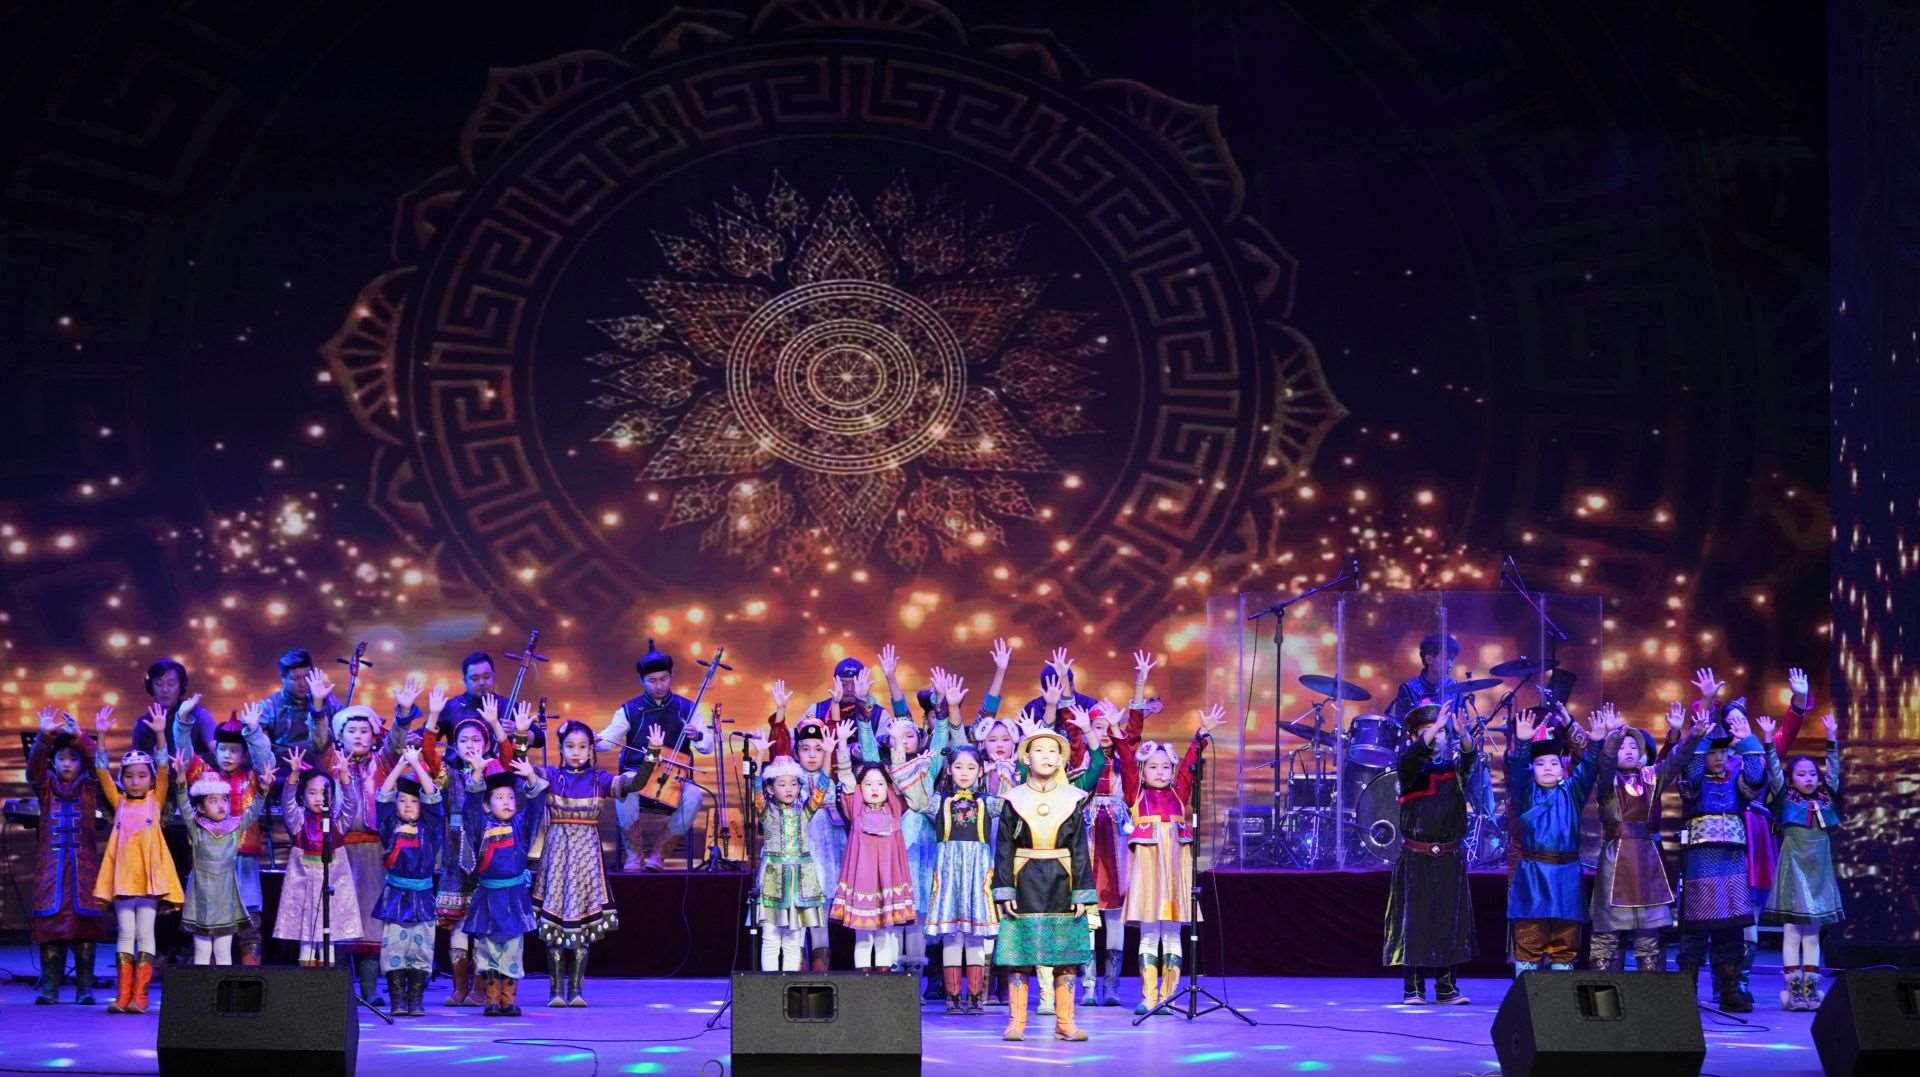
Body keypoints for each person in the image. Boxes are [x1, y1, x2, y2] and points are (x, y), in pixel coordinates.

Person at [1115, 698, 1225, 1017]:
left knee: (1173, 933)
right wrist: (1115, 732)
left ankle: (1170, 995)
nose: (1161, 772)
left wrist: (1201, 734)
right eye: (1153, 766)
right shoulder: (1136, 793)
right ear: (1142, 770)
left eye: (1166, 767)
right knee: (1150, 932)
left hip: (1175, 870)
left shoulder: (1179, 793)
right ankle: (1149, 997)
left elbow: (1191, 762)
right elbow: (1125, 759)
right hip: (1149, 869)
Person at [528, 719, 650, 1006]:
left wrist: (652, 756)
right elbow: (520, 767)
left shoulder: (599, 779)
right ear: (561, 748)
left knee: (581, 921)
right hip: (557, 855)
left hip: (586, 857)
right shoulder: (551, 776)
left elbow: (636, 783)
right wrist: (521, 735)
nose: (576, 752)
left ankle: (576, 991)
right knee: (554, 922)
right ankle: (555, 992)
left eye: (583, 746)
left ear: (591, 749)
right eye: (570, 746)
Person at [993, 726, 1097, 1043]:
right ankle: (1016, 1022)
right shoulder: (1014, 800)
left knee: (1065, 955)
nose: (1047, 756)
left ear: (1061, 760)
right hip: (1024, 877)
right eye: (1039, 750)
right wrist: (1004, 889)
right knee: (1020, 954)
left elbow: (1080, 849)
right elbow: (1004, 848)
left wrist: (1082, 892)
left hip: (1062, 879)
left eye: (1053, 751)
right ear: (1026, 758)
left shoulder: (1071, 799)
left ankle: (1065, 1023)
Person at [1674, 696, 1769, 1012]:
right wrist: (1702, 735)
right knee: (1696, 928)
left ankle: (1729, 990)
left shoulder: (1736, 780)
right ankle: (1685, 991)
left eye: (1722, 752)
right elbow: (1692, 764)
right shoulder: (1694, 781)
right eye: (1712, 752)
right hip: (1700, 863)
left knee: (1731, 928)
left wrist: (1748, 740)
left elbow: (1756, 777)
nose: (1718, 758)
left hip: (1732, 862)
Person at [91, 705, 183, 1015]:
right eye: (129, 776)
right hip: (122, 879)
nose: (135, 781)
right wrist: (101, 735)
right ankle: (123, 994)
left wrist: (160, 734)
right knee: (124, 934)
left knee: (145, 933)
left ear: (150, 780)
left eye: (142, 776)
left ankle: (140, 996)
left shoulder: (155, 801)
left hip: (149, 880)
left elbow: (164, 767)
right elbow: (101, 771)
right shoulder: (118, 803)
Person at [1383, 703, 1476, 1004]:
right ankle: (1413, 987)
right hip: (1417, 860)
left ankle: (1447, 988)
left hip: (1449, 858)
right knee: (1415, 922)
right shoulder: (1410, 770)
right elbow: (1412, 758)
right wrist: (1435, 727)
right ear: (1414, 737)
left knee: (1449, 922)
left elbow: (1469, 759)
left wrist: (1464, 735)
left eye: (1441, 732)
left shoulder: (1453, 772)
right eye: (1428, 732)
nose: (1437, 737)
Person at [1590, 704, 1693, 973]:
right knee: (1608, 930)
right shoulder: (1607, 782)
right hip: (1615, 860)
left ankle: (1648, 988)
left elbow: (1676, 760)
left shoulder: (1651, 778)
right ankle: (1602, 986)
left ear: (1642, 753)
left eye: (1633, 746)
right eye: (1622, 746)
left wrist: (1690, 734)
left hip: (1647, 860)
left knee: (1648, 932)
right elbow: (1605, 763)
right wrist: (1612, 736)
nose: (1628, 750)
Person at [172, 702, 275, 964]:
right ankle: (207, 973)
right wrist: (182, 720)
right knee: (208, 918)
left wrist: (254, 731)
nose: (227, 755)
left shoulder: (251, 779)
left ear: (243, 754)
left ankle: (250, 970)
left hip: (243, 858)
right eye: (222, 749)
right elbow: (184, 755)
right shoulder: (205, 777)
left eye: (234, 750)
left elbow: (267, 764)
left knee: (249, 917)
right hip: (211, 860)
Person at [596, 640, 712, 871]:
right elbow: (607, 742)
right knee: (624, 786)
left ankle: (659, 854)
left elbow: (707, 746)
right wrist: (594, 740)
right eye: (652, 681)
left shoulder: (687, 708)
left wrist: (698, 735)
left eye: (664, 679)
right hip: (639, 775)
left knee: (695, 797)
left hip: (674, 779)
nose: (659, 685)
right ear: (641, 681)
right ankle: (634, 855)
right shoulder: (629, 710)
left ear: (671, 677)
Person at [430, 688, 514, 1005]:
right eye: (463, 740)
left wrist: (495, 724)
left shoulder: (493, 771)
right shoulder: (448, 772)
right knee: (458, 920)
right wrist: (433, 716)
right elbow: (427, 755)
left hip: (485, 849)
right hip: (455, 851)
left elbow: (509, 757)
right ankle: (458, 986)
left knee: (481, 920)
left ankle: (480, 987)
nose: (470, 745)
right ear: (454, 744)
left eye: (476, 740)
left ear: (486, 744)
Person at [1503, 707, 1600, 974]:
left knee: (1565, 940)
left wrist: (1595, 743)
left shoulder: (1573, 792)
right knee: (1529, 937)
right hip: (1534, 874)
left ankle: (1560, 995)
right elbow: (1517, 772)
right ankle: (1526, 992)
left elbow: (1589, 768)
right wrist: (1523, 743)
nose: (1547, 767)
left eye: (1554, 763)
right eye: (1540, 763)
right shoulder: (1526, 795)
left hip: (1567, 875)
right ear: (1532, 769)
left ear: (1562, 769)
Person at [1760, 711, 1844, 1010]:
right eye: (1802, 774)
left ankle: (1810, 990)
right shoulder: (1786, 799)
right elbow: (1773, 771)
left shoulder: (1825, 798)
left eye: (1812, 774)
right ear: (1792, 778)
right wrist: (1768, 741)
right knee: (1793, 931)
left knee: (1813, 933)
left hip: (1819, 871)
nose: (1808, 778)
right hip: (1794, 868)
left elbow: (1833, 772)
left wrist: (1831, 739)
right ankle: (1793, 990)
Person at [27, 708, 110, 1004]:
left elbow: (100, 766)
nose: (66, 763)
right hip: (52, 872)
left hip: (82, 872)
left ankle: (84, 989)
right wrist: (43, 737)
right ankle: (50, 989)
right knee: (51, 928)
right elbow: (33, 770)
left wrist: (81, 737)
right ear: (54, 761)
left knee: (84, 928)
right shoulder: (46, 788)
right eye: (61, 758)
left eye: (72, 758)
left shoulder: (89, 788)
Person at [828, 719, 918, 971]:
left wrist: (898, 742)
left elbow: (901, 778)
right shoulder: (856, 807)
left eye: (880, 783)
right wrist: (842, 744)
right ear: (861, 788)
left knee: (885, 933)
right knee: (863, 934)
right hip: (862, 881)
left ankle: (884, 978)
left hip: (888, 879)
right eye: (868, 784)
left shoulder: (894, 808)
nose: (874, 788)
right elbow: (846, 778)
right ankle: (863, 980)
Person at [463, 759, 549, 1017]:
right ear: (487, 805)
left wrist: (531, 777)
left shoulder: (520, 827)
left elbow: (535, 809)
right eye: (499, 798)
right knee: (487, 949)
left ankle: (508, 1000)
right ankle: (491, 999)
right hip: (488, 897)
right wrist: (477, 773)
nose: (507, 802)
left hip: (513, 898)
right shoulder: (481, 826)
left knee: (512, 949)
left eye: (511, 797)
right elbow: (470, 810)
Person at [275, 748, 367, 967]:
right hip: (304, 883)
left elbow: (351, 806)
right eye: (312, 792)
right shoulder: (298, 822)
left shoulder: (337, 824)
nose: (318, 798)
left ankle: (328, 977)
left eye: (324, 792)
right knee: (307, 938)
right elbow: (287, 804)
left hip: (331, 882)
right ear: (303, 796)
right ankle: (307, 978)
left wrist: (344, 777)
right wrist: (294, 774)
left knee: (329, 938)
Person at [374, 745, 443, 1017]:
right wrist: (401, 765)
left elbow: (433, 798)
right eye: (402, 800)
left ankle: (416, 998)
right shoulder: (389, 824)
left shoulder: (430, 828)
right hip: (396, 896)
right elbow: (383, 796)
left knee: (421, 948)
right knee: (395, 947)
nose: (407, 805)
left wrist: (416, 765)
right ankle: (397, 999)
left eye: (414, 801)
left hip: (423, 897)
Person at [754, 754, 830, 973]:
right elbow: (755, 789)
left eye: (794, 784)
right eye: (782, 784)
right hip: (773, 880)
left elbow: (821, 789)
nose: (789, 789)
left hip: (800, 882)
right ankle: (769, 986)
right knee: (770, 938)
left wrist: (827, 753)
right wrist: (759, 757)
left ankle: (788, 984)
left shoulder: (804, 812)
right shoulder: (767, 812)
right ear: (771, 789)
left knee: (794, 939)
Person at [254, 648, 340, 758]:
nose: (303, 684)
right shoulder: (269, 707)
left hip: (322, 761)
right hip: (283, 763)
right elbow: (261, 749)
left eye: (307, 677)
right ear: (283, 678)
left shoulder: (325, 698)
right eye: (295, 679)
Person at [1385, 633, 1462, 721]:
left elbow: (1464, 724)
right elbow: (1400, 725)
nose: (1450, 664)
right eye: (1446, 659)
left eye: (1452, 659)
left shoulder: (1455, 686)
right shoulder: (1409, 689)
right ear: (1429, 659)